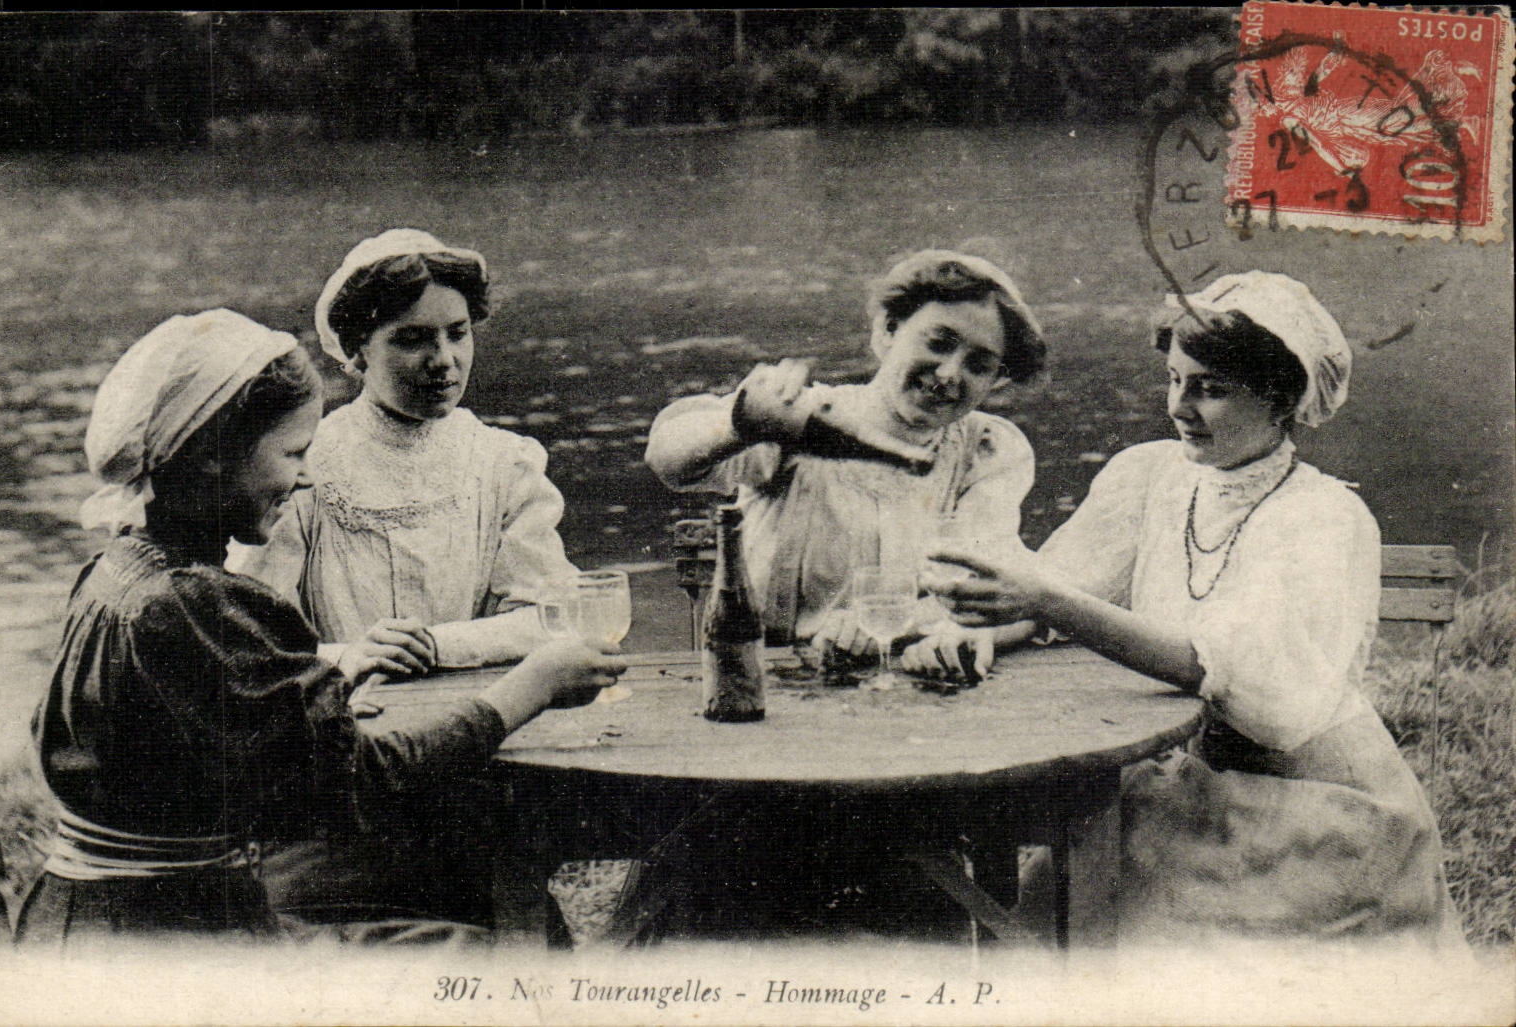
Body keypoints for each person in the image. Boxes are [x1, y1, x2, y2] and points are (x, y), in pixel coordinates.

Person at [15, 310, 624, 945]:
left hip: (80, 917)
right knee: (489, 953)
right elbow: (366, 783)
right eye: (293, 453)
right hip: (169, 938)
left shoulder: (118, 569)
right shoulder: (202, 605)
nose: (306, 477)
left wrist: (322, 673)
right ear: (215, 457)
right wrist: (532, 685)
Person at [925, 272, 1464, 945]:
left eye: (1210, 388)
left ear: (1279, 399)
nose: (1181, 406)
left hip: (1320, 806)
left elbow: (1238, 678)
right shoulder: (1151, 475)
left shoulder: (1325, 517)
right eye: (1175, 380)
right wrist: (985, 631)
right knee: (1050, 939)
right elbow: (1057, 586)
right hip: (1193, 784)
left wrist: (1045, 599)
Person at [644, 250, 1045, 677]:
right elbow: (668, 459)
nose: (949, 374)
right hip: (774, 674)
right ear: (889, 330)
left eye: (979, 365)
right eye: (939, 343)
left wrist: (890, 623)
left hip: (907, 673)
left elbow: (985, 587)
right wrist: (739, 425)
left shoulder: (987, 450)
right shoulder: (801, 416)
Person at [229, 228, 576, 671]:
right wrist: (349, 658)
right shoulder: (303, 468)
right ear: (358, 351)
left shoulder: (505, 463)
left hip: (480, 706)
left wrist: (435, 646)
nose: (444, 359)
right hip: (341, 710)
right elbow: (249, 638)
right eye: (412, 340)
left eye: (457, 333)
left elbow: (553, 618)